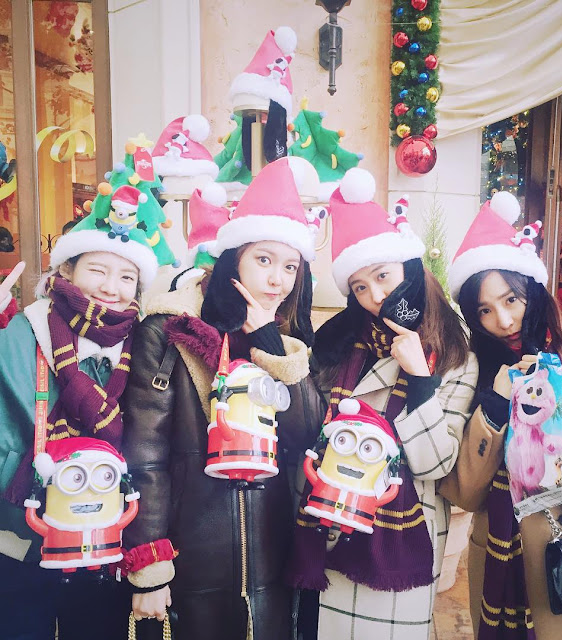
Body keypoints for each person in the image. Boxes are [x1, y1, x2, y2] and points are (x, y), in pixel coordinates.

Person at [120, 158, 326, 640]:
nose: (278, 280)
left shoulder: (285, 338)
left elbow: (306, 434)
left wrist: (272, 346)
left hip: (271, 559)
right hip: (191, 558)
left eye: (290, 266)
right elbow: (145, 455)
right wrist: (150, 565)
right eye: (264, 260)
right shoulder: (171, 330)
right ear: (233, 258)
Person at [287, 168, 478, 640]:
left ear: (409, 269)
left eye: (383, 276)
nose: (375, 296)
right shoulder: (338, 344)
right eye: (359, 286)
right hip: (323, 523)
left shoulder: (455, 353)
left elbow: (436, 464)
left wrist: (419, 378)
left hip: (395, 542)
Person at [440, 191, 562, 639]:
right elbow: (463, 494)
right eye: (485, 310)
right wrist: (493, 411)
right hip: (512, 564)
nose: (503, 321)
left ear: (532, 289)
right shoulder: (473, 373)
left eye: (511, 300)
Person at [0, 190, 162, 640]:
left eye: (126, 277)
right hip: (22, 539)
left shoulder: (143, 345)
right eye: (97, 270)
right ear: (67, 270)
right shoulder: (22, 333)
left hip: (105, 540)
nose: (111, 287)